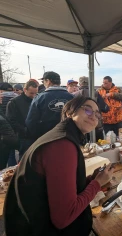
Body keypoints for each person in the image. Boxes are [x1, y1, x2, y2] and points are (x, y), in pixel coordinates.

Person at [4, 96, 114, 235]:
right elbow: (63, 217)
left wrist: (90, 180)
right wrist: (97, 183)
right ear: (69, 113)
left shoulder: (61, 135)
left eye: (97, 113)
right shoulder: (62, 145)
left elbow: (54, 189)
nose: (93, 116)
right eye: (87, 110)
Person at [26, 71, 74, 141]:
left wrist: (37, 138)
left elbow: (31, 121)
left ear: (48, 81)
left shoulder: (39, 98)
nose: (43, 84)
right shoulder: (72, 97)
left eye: (43, 81)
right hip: (69, 137)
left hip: (46, 138)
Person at [6, 80, 38, 163]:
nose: (34, 96)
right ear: (25, 90)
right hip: (24, 137)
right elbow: (11, 120)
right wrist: (24, 130)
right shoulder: (14, 102)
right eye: (31, 93)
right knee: (24, 160)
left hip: (36, 135)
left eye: (35, 93)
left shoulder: (38, 100)